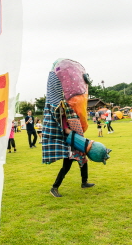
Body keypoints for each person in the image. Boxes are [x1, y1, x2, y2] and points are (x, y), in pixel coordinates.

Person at [43, 59, 110, 198]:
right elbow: (66, 131)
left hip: (78, 139)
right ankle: (54, 188)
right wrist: (81, 141)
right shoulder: (63, 115)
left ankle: (84, 182)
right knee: (66, 166)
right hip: (71, 142)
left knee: (83, 161)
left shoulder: (73, 112)